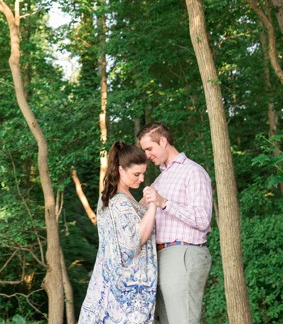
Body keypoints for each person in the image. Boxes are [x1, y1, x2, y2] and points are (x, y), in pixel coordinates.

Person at [138, 122, 212, 324]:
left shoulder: (193, 171)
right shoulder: (161, 179)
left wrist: (164, 203)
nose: (147, 155)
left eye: (149, 148)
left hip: (183, 254)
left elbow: (202, 219)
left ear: (163, 141)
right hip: (159, 257)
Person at [79, 142, 158, 324]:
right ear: (121, 171)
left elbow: (129, 221)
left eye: (143, 173)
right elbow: (134, 242)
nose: (141, 178)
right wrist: (153, 205)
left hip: (111, 287)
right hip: (125, 293)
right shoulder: (119, 201)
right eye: (136, 174)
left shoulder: (115, 196)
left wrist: (144, 203)